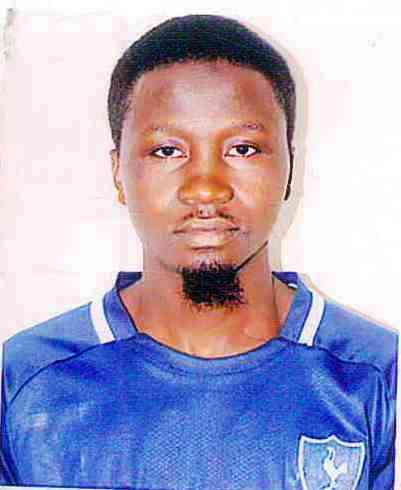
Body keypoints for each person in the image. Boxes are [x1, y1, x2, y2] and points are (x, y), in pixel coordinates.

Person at [0, 14, 398, 489]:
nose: (206, 188)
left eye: (243, 149)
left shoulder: (380, 378)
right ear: (118, 174)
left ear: (290, 168)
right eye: (168, 151)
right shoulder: (26, 380)